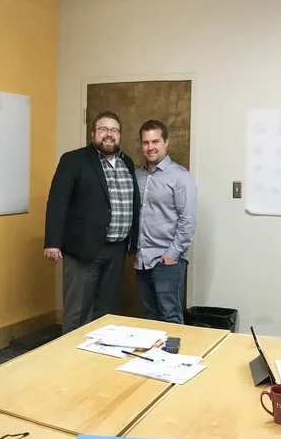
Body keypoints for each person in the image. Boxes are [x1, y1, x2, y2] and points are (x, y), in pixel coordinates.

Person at [43, 110, 140, 334]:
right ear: (93, 133)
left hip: (116, 250)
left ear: (120, 135)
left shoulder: (127, 162)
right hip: (83, 250)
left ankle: (96, 362)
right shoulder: (74, 160)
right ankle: (70, 361)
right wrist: (53, 242)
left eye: (114, 130)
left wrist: (132, 242)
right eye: (103, 129)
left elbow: (132, 203)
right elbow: (58, 202)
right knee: (78, 311)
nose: (109, 134)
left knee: (106, 313)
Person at [131, 120, 197, 325]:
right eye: (145, 142)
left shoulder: (180, 177)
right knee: (151, 317)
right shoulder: (137, 176)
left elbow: (188, 219)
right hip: (142, 259)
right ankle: (154, 357)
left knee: (171, 316)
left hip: (166, 259)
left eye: (155, 141)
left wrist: (172, 254)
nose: (150, 147)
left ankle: (177, 357)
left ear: (166, 142)